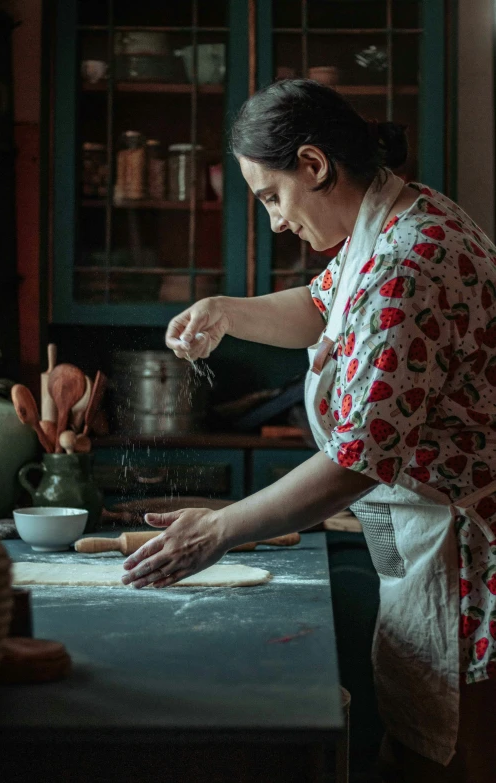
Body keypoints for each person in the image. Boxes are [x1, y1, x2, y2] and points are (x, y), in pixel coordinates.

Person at [122, 80, 496, 782]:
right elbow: (324, 306)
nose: (272, 222)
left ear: (315, 165)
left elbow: (358, 458)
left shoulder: (408, 263)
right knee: (415, 752)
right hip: (430, 552)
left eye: (271, 196)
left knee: (450, 761)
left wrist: (220, 527)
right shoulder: (384, 229)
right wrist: (226, 309)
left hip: (473, 570)